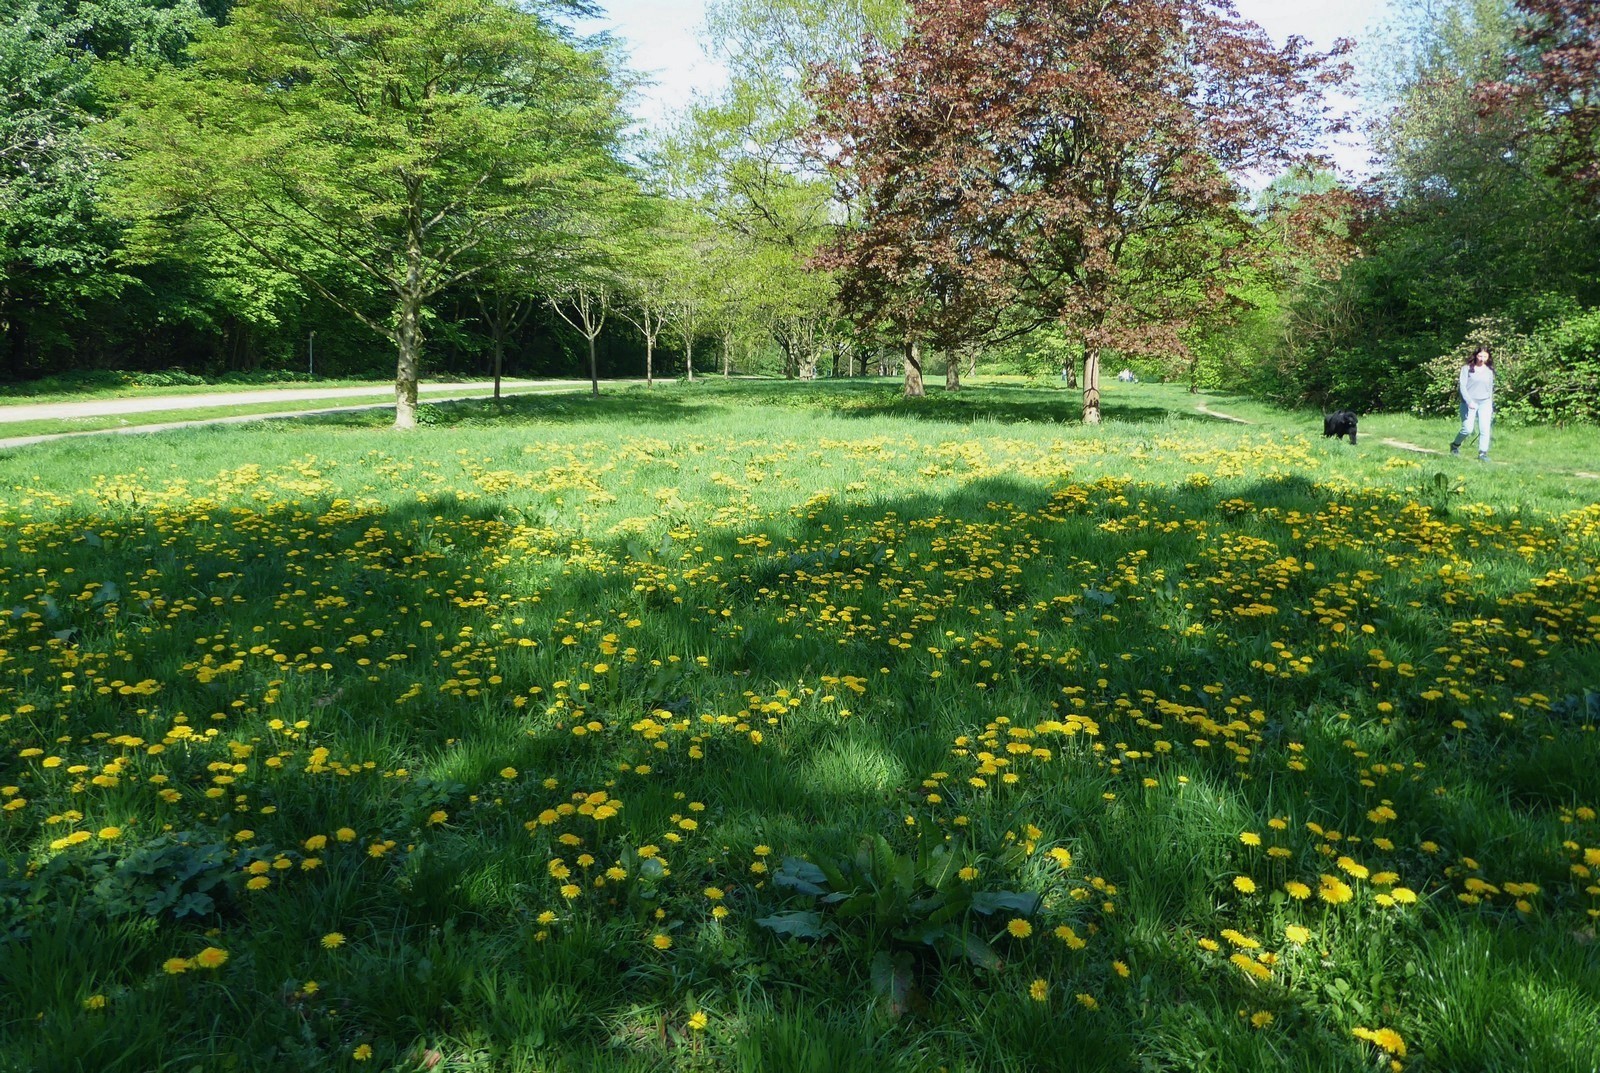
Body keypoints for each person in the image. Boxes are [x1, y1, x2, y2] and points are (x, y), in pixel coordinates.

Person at [1449, 346, 1495, 461]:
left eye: (1485, 356)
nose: (1482, 358)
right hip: (1469, 403)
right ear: (1475, 356)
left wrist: (1490, 404)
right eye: (1480, 356)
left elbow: (1490, 389)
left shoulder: (1489, 371)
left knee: (1485, 429)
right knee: (1467, 429)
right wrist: (1469, 401)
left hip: (1485, 402)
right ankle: (1455, 445)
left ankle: (1482, 453)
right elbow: (1463, 386)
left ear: (1488, 357)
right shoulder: (1466, 369)